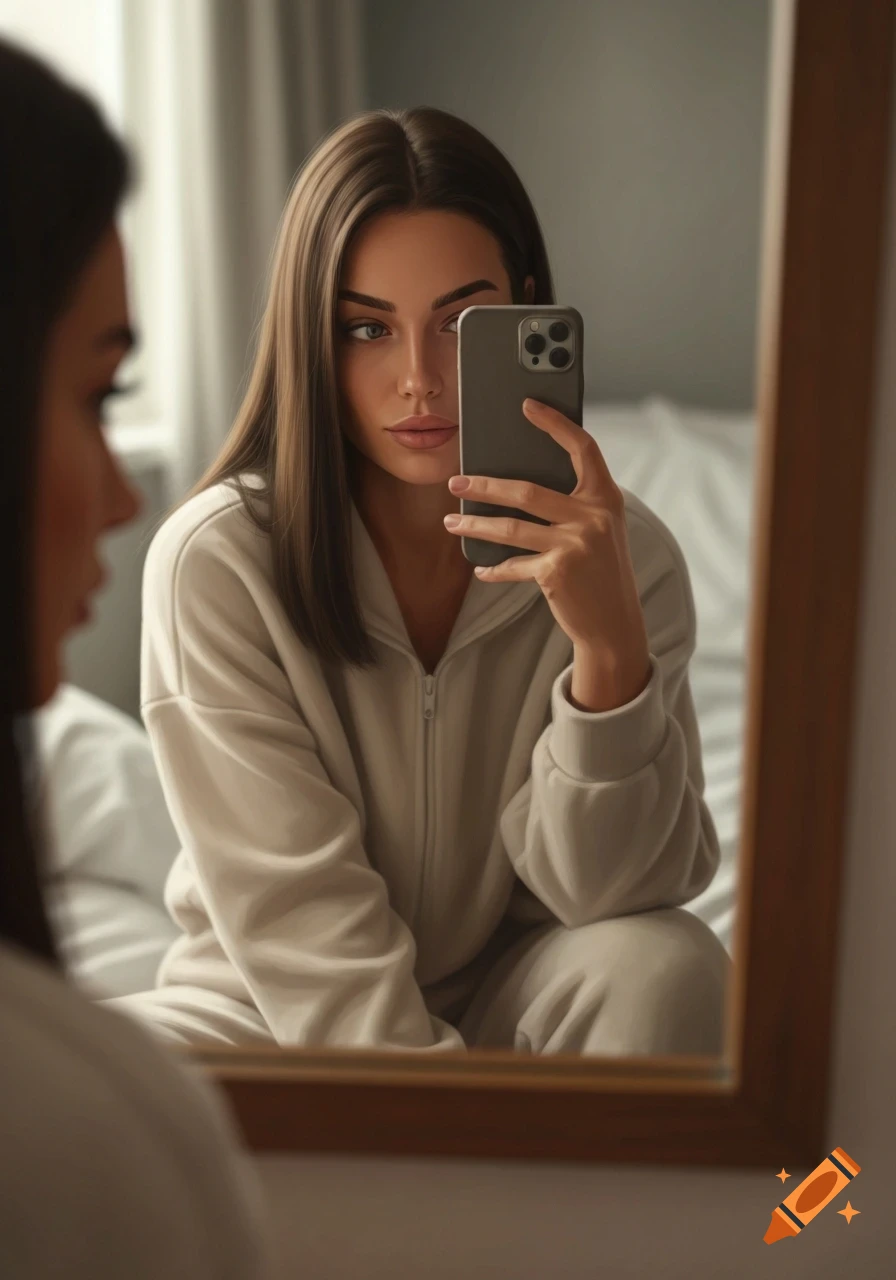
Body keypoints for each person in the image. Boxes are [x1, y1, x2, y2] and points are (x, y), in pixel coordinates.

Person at [108, 106, 731, 1056]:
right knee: (97, 1086)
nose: (420, 380)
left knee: (670, 966)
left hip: (516, 992)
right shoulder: (217, 565)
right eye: (367, 329)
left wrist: (610, 659)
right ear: (310, 339)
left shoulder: (625, 557)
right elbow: (298, 923)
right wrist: (450, 1128)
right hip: (267, 1006)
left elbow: (616, 895)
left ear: (524, 310)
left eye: (461, 324)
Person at [0, 39, 274, 1278]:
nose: (121, 498)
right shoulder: (82, 1142)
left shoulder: (613, 553)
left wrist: (606, 669)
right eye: (97, 396)